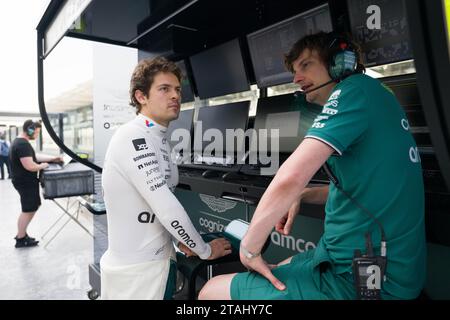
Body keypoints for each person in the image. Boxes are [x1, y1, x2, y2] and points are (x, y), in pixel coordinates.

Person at [199, 31, 426, 300]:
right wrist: (303, 194)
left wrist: (249, 249)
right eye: (295, 71)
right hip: (344, 257)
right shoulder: (374, 94)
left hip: (367, 280)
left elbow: (290, 175)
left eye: (306, 65)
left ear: (338, 64)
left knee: (210, 291)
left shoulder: (354, 90)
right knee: (283, 264)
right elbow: (362, 186)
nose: (296, 79)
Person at [100, 56, 232, 300]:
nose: (175, 96)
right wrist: (202, 250)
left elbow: (153, 208)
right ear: (141, 97)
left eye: (177, 90)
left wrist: (182, 242)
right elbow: (166, 207)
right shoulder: (132, 136)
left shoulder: (157, 139)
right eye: (164, 89)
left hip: (154, 265)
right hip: (137, 274)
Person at [10, 120, 63, 248]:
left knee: (32, 207)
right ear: (30, 129)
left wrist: (51, 159)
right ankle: (21, 238)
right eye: (37, 132)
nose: (37, 134)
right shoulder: (22, 144)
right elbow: (30, 165)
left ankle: (22, 234)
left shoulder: (20, 142)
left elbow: (33, 157)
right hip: (25, 182)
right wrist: (43, 165)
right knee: (28, 209)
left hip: (24, 181)